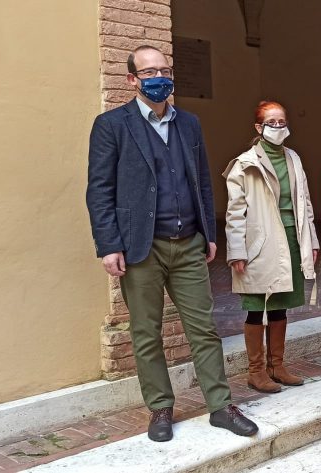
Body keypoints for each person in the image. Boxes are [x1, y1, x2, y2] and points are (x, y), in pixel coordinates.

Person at [86, 45, 258, 442]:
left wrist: (208, 234)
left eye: (164, 70)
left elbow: (201, 180)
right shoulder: (112, 125)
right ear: (132, 79)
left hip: (188, 243)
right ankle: (161, 408)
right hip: (139, 248)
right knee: (146, 332)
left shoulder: (189, 124)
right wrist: (108, 245)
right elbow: (100, 191)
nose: (159, 78)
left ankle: (220, 406)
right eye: (149, 73)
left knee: (204, 329)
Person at [223, 101, 319, 393]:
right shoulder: (244, 164)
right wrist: (236, 250)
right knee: (257, 306)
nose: (278, 127)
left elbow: (305, 202)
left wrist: (311, 239)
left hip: (291, 237)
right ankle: (256, 371)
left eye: (281, 121)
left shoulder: (294, 158)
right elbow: (234, 211)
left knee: (281, 306)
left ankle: (278, 366)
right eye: (271, 122)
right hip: (259, 243)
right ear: (258, 127)